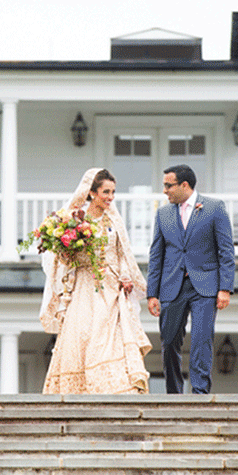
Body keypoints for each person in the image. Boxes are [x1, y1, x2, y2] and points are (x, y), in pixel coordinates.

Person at [41, 167, 152, 394]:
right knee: (82, 335)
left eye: (113, 192)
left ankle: (114, 386)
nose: (111, 198)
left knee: (110, 336)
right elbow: (60, 258)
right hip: (83, 285)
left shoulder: (114, 219)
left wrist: (125, 276)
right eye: (106, 192)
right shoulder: (72, 221)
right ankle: (80, 388)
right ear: (92, 193)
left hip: (110, 287)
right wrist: (65, 251)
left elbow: (122, 253)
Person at [146, 164, 235, 394]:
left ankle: (199, 393)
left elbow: (226, 250)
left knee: (201, 338)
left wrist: (225, 288)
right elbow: (156, 254)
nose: (164, 190)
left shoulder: (214, 208)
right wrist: (152, 293)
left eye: (168, 185)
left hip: (204, 287)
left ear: (184, 185)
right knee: (169, 341)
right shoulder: (163, 213)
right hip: (171, 286)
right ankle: (174, 394)